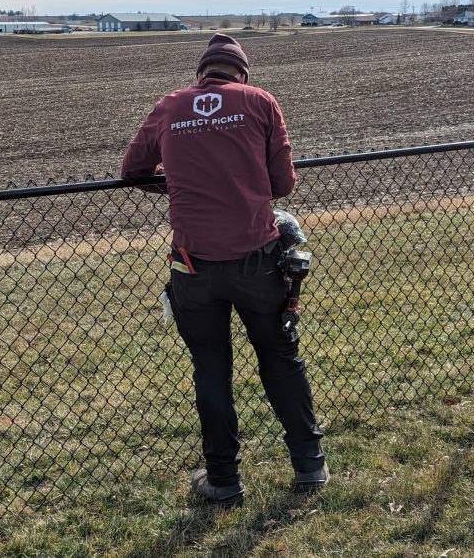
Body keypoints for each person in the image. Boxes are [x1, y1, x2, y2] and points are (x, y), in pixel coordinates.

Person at [121, 33, 327, 507]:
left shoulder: (171, 106)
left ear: (202, 73)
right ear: (241, 73)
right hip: (258, 261)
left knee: (211, 370)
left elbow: (133, 169)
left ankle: (224, 480)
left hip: (193, 268)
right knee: (280, 358)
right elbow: (283, 183)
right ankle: (309, 464)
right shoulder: (259, 103)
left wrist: (176, 185)